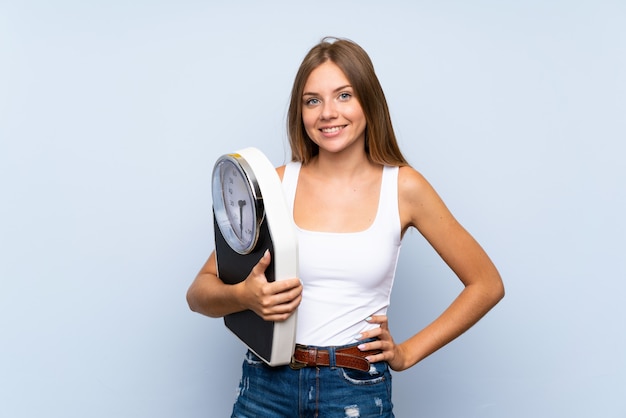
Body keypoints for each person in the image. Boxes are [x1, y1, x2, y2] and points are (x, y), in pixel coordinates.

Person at [186, 37, 504, 417]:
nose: (327, 113)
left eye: (344, 95)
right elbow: (199, 293)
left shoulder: (404, 188)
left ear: (368, 101)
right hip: (265, 389)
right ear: (300, 112)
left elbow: (486, 284)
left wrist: (406, 353)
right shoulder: (275, 185)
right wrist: (246, 297)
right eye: (312, 100)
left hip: (354, 392)